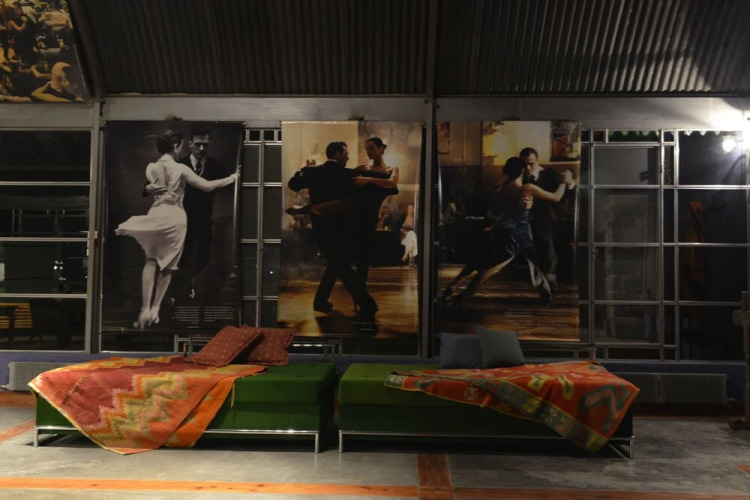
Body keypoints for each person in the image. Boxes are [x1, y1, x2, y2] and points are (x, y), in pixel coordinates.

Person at [115, 129, 238, 330]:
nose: (182, 149)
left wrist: (149, 188)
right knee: (169, 265)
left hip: (157, 213)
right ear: (176, 146)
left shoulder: (151, 167)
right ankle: (156, 308)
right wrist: (233, 177)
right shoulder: (180, 167)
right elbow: (207, 186)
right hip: (174, 217)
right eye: (181, 146)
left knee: (151, 260)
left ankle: (145, 308)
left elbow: (149, 186)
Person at [442, 157, 574, 311]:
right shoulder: (528, 188)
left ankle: (546, 293)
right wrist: (564, 182)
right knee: (493, 267)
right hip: (517, 234)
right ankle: (465, 296)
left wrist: (495, 226)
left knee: (529, 262)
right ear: (522, 171)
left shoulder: (504, 189)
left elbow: (503, 213)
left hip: (507, 230)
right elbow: (556, 197)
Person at [287, 141, 383, 317]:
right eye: (345, 153)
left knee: (336, 263)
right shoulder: (347, 174)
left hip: (321, 227)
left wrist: (304, 169)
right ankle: (366, 303)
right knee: (341, 265)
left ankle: (320, 302)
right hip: (343, 228)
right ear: (337, 154)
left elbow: (293, 184)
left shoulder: (313, 172)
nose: (348, 157)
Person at [171, 125, 230, 303]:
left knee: (204, 257)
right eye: (198, 144)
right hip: (181, 219)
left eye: (205, 144)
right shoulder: (179, 165)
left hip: (205, 219)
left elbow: (230, 189)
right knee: (182, 256)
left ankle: (187, 280)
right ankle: (177, 291)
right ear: (190, 144)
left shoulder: (217, 166)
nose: (202, 148)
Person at [520, 146, 573, 291]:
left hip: (546, 219)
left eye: (531, 164)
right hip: (526, 221)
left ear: (537, 161)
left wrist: (569, 183)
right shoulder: (521, 177)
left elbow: (561, 196)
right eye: (525, 164)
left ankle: (550, 282)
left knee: (547, 248)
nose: (528, 168)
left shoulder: (548, 175)